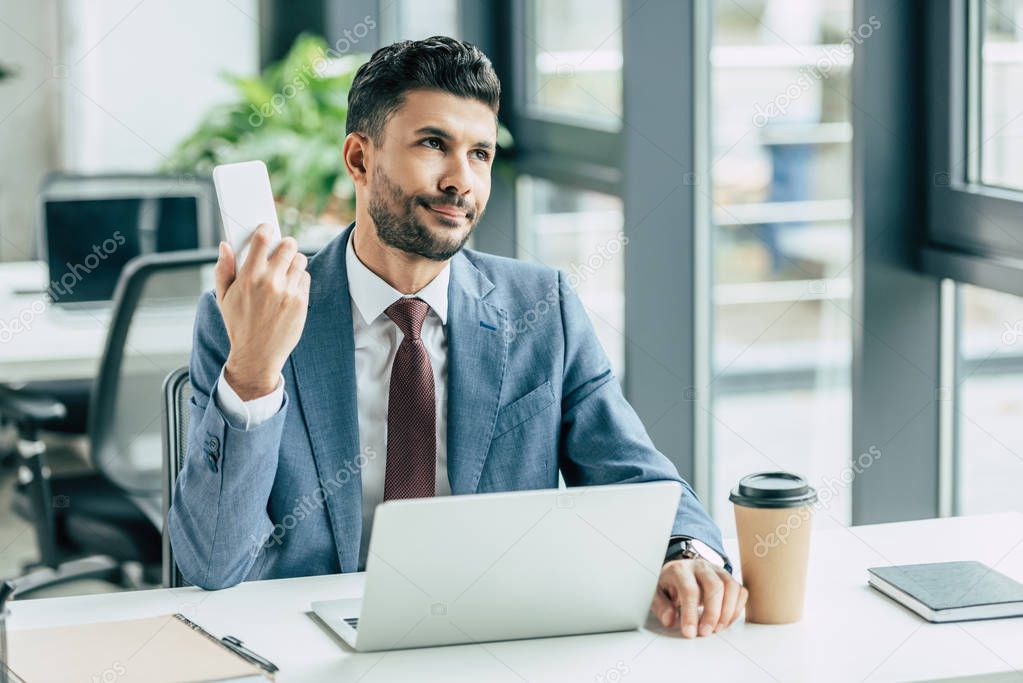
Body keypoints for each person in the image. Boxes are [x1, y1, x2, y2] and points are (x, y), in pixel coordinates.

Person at [168, 36, 747, 639]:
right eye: (433, 145)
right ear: (359, 159)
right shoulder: (245, 315)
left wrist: (687, 550)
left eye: (480, 154)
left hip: (488, 636)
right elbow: (211, 562)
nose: (460, 181)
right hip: (310, 644)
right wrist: (255, 370)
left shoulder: (541, 307)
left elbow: (635, 475)